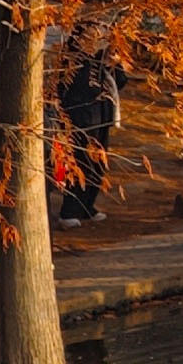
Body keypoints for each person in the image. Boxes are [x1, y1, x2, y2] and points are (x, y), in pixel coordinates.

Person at [59, 38, 123, 227]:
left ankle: (87, 206)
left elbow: (120, 81)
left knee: (98, 164)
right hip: (81, 118)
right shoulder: (73, 55)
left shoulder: (102, 57)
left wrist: (115, 64)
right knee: (80, 163)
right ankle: (68, 211)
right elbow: (71, 88)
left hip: (102, 116)